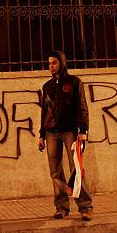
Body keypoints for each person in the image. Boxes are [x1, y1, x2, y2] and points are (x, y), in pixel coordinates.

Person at [38, 51, 93, 221]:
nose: (51, 66)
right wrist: (41, 135)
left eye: (54, 63)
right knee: (55, 172)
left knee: (76, 169)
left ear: (62, 62)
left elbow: (82, 107)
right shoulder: (47, 86)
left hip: (70, 132)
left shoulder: (74, 83)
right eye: (49, 63)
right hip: (51, 134)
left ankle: (85, 207)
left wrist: (83, 131)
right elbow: (45, 112)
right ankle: (61, 207)